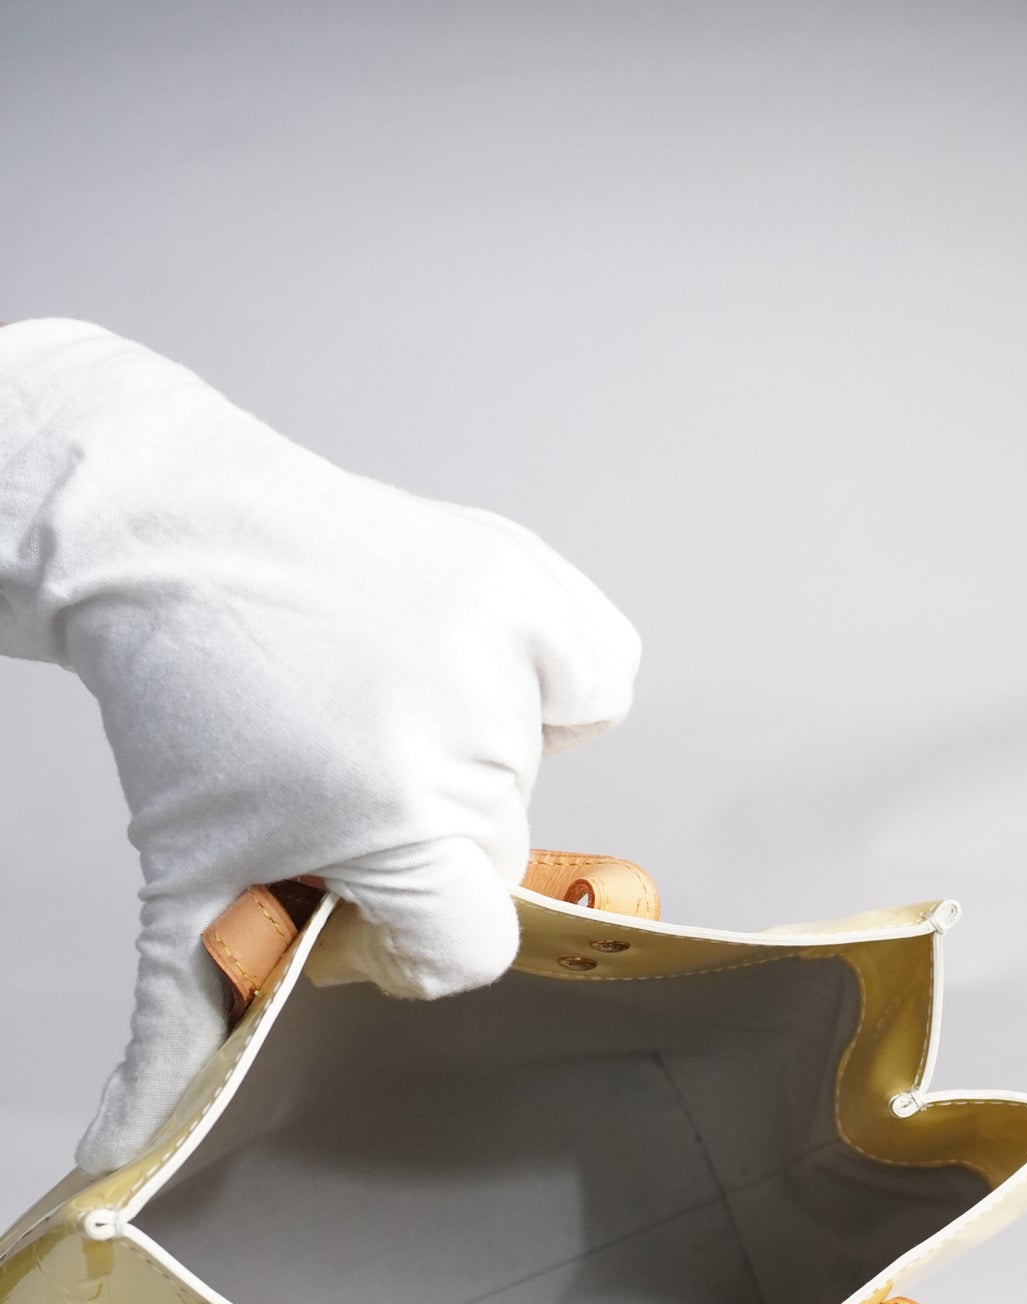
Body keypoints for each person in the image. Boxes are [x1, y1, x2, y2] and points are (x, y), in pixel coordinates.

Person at [0, 319, 640, 1176]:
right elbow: (598, 689)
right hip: (454, 576)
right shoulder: (487, 573)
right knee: (457, 936)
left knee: (456, 946)